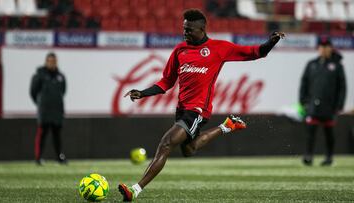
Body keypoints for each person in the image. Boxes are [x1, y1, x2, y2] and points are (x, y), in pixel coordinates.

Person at [118, 9, 285, 201]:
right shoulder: (180, 50)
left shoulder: (220, 47)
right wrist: (143, 93)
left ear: (202, 28)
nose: (185, 32)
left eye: (189, 29)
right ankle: (227, 126)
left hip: (198, 110)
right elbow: (166, 82)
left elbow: (255, 53)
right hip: (181, 110)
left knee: (166, 143)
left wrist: (271, 42)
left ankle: (135, 190)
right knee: (188, 150)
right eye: (184, 29)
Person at [300, 37, 346, 166]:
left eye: (326, 47)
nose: (324, 49)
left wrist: (339, 105)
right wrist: (303, 101)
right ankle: (308, 156)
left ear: (330, 48)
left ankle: (329, 157)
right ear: (318, 48)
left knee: (329, 133)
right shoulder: (312, 64)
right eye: (321, 47)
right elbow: (304, 83)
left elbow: (342, 87)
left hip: (330, 106)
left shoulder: (337, 65)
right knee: (310, 132)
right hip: (313, 105)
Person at [30, 52, 67, 165]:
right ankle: (38, 157)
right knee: (42, 134)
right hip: (44, 111)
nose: (52, 63)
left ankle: (59, 157)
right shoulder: (39, 75)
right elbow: (33, 92)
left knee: (57, 136)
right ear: (46, 62)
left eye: (54, 61)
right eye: (50, 61)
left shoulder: (60, 76)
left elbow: (63, 91)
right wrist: (40, 103)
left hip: (57, 110)